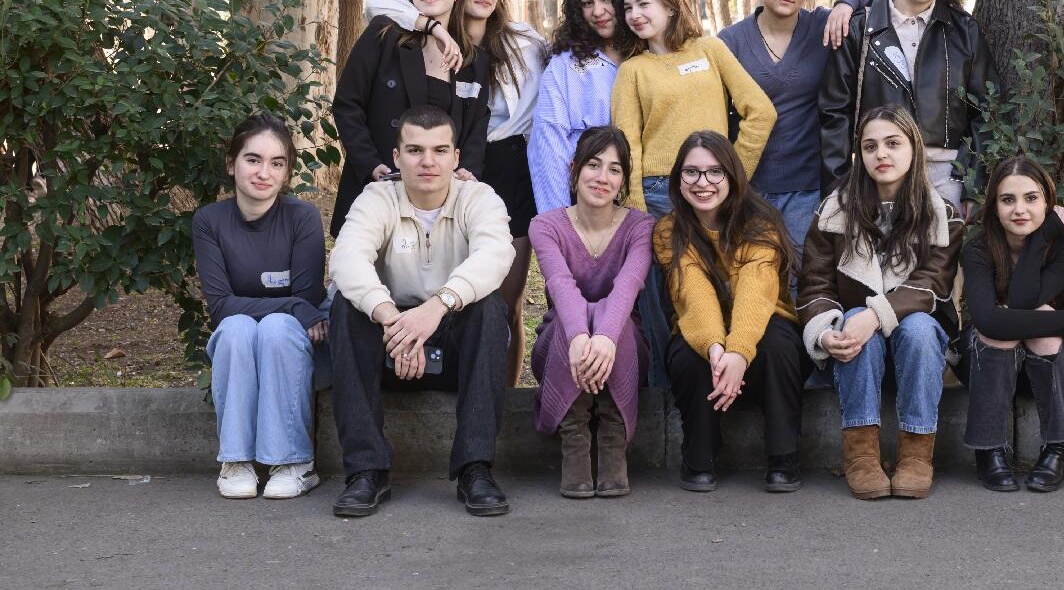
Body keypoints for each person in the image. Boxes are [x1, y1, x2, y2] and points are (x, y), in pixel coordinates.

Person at [367, 0, 547, 388]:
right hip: (440, 167)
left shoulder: (522, 40)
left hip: (505, 168)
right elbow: (377, 3)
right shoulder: (419, 33)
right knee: (440, 285)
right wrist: (432, 27)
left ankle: (500, 395)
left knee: (504, 300)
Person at [327, 105, 516, 518]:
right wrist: (393, 321)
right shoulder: (377, 198)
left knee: (489, 309)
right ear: (396, 158)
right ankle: (366, 471)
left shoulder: (479, 198)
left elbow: (496, 256)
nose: (427, 161)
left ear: (455, 157)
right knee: (346, 305)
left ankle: (475, 468)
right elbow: (347, 259)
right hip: (388, 345)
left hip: (451, 344)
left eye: (439, 150)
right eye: (414, 150)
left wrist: (436, 307)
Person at [612, 0, 777, 385]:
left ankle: (729, 374)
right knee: (662, 301)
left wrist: (730, 175)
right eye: (628, 6)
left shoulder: (710, 50)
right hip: (657, 196)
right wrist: (635, 212)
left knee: (719, 290)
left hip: (713, 195)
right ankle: (662, 396)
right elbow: (627, 142)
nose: (634, 14)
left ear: (669, 3)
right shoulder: (632, 70)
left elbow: (760, 112)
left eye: (643, 3)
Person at [798, 106, 964, 500]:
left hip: (918, 348)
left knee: (919, 326)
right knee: (852, 318)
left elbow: (932, 284)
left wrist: (875, 315)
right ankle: (861, 457)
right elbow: (814, 284)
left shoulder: (943, 215)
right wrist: (825, 334)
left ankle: (916, 456)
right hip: (858, 354)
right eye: (869, 146)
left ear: (914, 149)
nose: (881, 155)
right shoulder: (832, 212)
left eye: (893, 143)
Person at [655, 131, 810, 492]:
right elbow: (692, 291)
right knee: (687, 354)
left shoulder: (760, 224)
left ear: (732, 176)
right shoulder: (668, 231)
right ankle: (700, 456)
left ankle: (783, 457)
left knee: (778, 342)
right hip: (707, 340)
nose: (703, 182)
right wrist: (716, 348)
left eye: (714, 172)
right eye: (691, 172)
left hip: (759, 338)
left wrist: (739, 350)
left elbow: (756, 291)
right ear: (679, 179)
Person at [819, 0, 998, 218]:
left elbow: (986, 111)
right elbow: (834, 115)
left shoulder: (964, 31)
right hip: (878, 174)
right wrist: (838, 191)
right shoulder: (859, 30)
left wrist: (974, 185)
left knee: (941, 265)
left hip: (945, 178)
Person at [193, 113, 327, 500]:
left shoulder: (302, 217)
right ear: (230, 163)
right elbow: (220, 306)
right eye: (253, 159)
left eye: (277, 163)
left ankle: (294, 462)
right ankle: (236, 460)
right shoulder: (210, 221)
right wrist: (291, 306)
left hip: (295, 345)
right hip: (246, 335)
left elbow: (307, 301)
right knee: (235, 328)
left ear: (286, 173)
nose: (263, 172)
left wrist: (293, 309)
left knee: (274, 328)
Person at [716, 0, 870, 251]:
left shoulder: (824, 27)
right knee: (757, 279)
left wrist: (847, 2)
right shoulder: (730, 42)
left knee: (801, 279)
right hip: (750, 188)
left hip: (809, 187)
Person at [529, 126, 655, 498]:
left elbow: (628, 287)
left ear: (623, 182)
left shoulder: (641, 227)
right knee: (573, 323)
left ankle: (614, 443)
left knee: (619, 324)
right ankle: (575, 443)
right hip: (561, 343)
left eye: (615, 170)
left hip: (620, 343)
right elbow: (561, 288)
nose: (602, 177)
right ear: (575, 169)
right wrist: (584, 337)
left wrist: (602, 336)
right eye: (594, 165)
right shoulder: (546, 225)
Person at [334, 0, 490, 239]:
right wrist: (371, 165)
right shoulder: (384, 35)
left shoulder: (475, 61)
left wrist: (467, 169)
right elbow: (347, 105)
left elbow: (477, 124)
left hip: (443, 201)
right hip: (378, 189)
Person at [961, 157, 1064, 493]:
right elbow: (989, 320)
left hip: (1051, 369)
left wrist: (1041, 239)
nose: (1020, 209)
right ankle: (989, 449)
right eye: (1008, 200)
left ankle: (1059, 446)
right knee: (1024, 325)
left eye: (1031, 198)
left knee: (1043, 326)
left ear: (1048, 202)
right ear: (994, 207)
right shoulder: (978, 249)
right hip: (984, 366)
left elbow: (1019, 302)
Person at [530, 0, 633, 215]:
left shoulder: (649, 52)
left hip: (648, 200)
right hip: (588, 206)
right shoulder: (566, 65)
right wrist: (559, 222)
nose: (597, 12)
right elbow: (548, 144)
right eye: (587, 3)